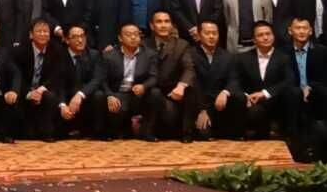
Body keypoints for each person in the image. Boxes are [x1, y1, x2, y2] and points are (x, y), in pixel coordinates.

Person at [234, 21, 295, 139]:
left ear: (273, 36)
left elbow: (289, 80)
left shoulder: (284, 57)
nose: (265, 37)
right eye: (260, 35)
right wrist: (246, 96)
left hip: (276, 101)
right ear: (254, 40)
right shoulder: (242, 58)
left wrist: (265, 93)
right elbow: (236, 81)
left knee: (293, 93)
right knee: (254, 113)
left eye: (268, 34)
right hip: (253, 102)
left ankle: (290, 137)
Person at [146, 12, 196, 141]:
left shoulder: (182, 45)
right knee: (154, 93)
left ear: (172, 26)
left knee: (190, 90)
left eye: (167, 21)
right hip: (150, 89)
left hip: (172, 88)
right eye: (159, 22)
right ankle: (149, 131)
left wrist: (181, 86)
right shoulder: (143, 45)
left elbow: (189, 68)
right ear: (152, 26)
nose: (163, 25)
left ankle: (186, 133)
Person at [101, 23, 156, 140]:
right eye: (128, 34)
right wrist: (109, 95)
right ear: (120, 38)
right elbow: (102, 79)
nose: (133, 37)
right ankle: (114, 130)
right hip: (118, 94)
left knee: (155, 93)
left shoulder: (149, 54)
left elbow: (154, 77)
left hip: (137, 94)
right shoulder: (109, 55)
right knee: (102, 98)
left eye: (136, 34)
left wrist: (144, 86)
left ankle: (147, 131)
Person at [281, 15, 327, 130]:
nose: (301, 31)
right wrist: (298, 90)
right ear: (290, 31)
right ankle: (292, 134)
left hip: (315, 91)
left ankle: (325, 131)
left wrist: (310, 87)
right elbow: (281, 78)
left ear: (310, 31)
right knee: (292, 93)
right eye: (298, 28)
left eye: (305, 28)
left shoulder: (322, 51)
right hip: (292, 93)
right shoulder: (282, 52)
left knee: (323, 92)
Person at [189, 19, 241, 140]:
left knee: (239, 97)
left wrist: (225, 92)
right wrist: (202, 110)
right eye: (207, 33)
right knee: (203, 135)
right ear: (199, 35)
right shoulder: (190, 54)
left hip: (219, 103)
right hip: (199, 103)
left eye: (214, 33)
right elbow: (194, 84)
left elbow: (234, 79)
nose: (211, 36)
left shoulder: (227, 56)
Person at [53, 24, 106, 139]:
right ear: (67, 40)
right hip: (67, 97)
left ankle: (96, 132)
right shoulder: (59, 55)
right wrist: (62, 105)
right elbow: (58, 84)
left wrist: (80, 94)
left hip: (86, 96)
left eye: (82, 36)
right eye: (75, 37)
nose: (80, 40)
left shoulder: (94, 55)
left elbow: (97, 79)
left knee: (99, 95)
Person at [13, 18, 58, 141]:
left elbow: (57, 76)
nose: (43, 34)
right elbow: (17, 77)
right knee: (28, 136)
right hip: (25, 92)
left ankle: (47, 133)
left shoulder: (57, 50)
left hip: (43, 91)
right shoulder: (20, 52)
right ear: (31, 35)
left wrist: (41, 90)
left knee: (50, 96)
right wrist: (29, 94)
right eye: (39, 31)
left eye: (46, 31)